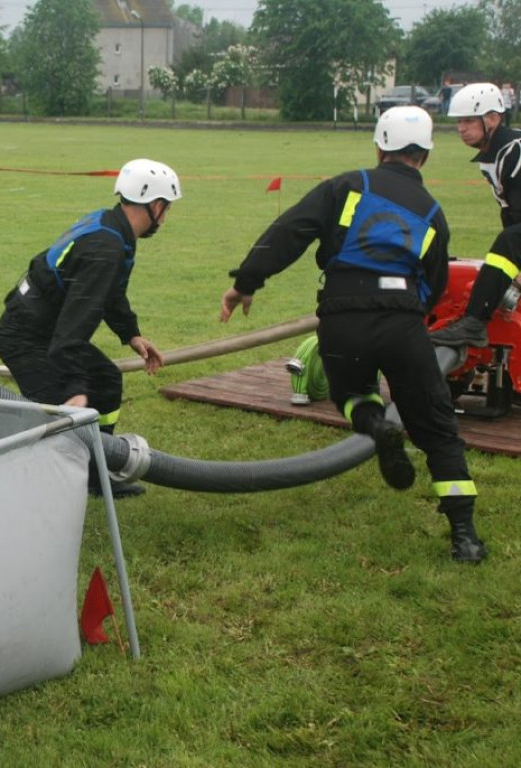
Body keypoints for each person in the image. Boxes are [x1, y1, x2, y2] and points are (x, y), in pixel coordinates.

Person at [219, 106, 485, 563]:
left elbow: (290, 231)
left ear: (380, 147)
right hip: (403, 319)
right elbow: (436, 283)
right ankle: (465, 536)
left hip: (342, 317)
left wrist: (246, 282)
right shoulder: (433, 212)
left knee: (351, 393)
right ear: (424, 155)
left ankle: (377, 426)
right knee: (439, 428)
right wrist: (407, 315)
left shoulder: (348, 186)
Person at [0, 158, 177, 498]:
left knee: (107, 380)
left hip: (43, 330)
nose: (166, 218)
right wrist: (75, 386)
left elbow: (109, 293)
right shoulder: (105, 249)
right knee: (61, 413)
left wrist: (131, 334)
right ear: (155, 205)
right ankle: (32, 487)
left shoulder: (112, 227)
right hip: (25, 337)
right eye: (167, 209)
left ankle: (97, 474)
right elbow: (73, 329)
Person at [428, 83, 521, 348]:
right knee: (509, 242)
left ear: (493, 118)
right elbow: (512, 214)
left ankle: (473, 323)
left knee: (508, 243)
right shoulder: (495, 154)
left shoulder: (514, 151)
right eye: (459, 122)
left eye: (469, 120)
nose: (461, 128)